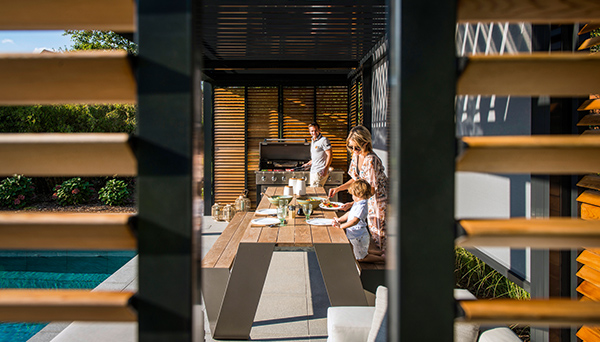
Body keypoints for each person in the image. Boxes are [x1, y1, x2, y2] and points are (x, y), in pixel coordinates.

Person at [328, 125, 388, 261]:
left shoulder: (371, 160)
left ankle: (384, 267)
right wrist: (338, 189)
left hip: (378, 201)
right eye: (351, 147)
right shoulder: (356, 157)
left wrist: (355, 203)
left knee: (379, 236)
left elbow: (371, 188)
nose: (354, 150)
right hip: (366, 199)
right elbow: (355, 180)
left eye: (357, 147)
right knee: (371, 237)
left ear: (366, 143)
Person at [332, 179, 383, 263]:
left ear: (358, 194)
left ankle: (383, 259)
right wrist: (339, 219)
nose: (352, 196)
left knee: (360, 257)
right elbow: (350, 213)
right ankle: (381, 253)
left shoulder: (362, 206)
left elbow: (354, 221)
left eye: (353, 194)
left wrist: (341, 226)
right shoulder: (358, 202)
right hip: (356, 235)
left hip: (358, 236)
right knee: (362, 251)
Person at [302, 122, 333, 187]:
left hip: (320, 171)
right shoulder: (313, 140)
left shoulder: (324, 140)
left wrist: (326, 168)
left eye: (315, 130)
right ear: (309, 132)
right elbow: (317, 156)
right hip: (313, 171)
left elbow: (330, 155)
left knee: (316, 193)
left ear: (319, 130)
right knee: (314, 193)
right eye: (312, 131)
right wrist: (309, 163)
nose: (314, 132)